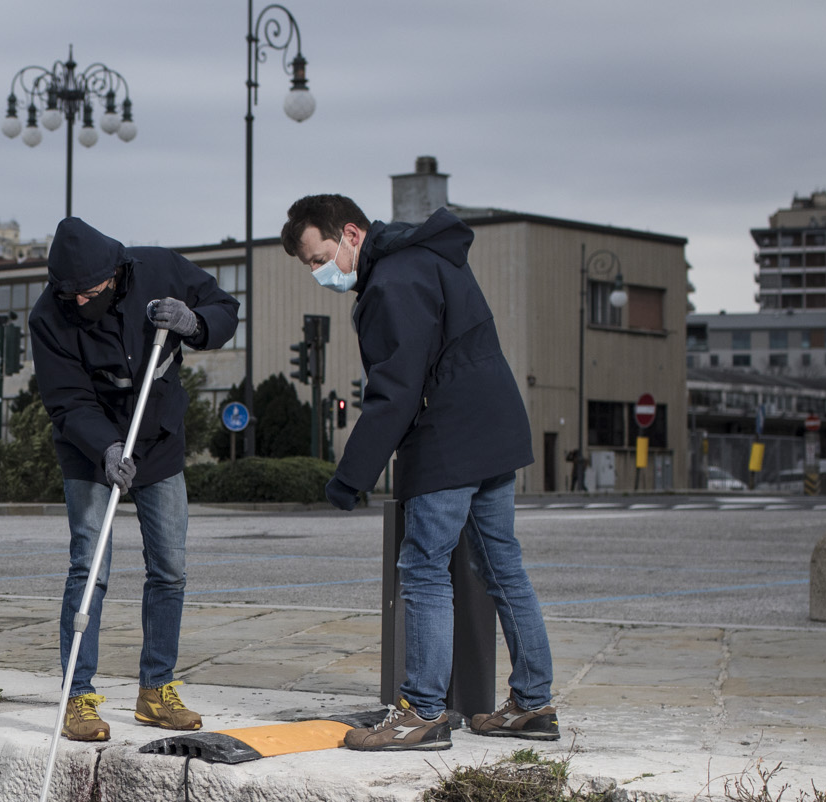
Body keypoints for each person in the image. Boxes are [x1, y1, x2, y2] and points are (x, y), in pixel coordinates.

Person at [281, 193, 559, 750]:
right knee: (503, 568)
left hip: (448, 439)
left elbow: (396, 389)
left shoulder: (392, 282)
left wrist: (350, 477)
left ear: (351, 234)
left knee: (424, 568)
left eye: (321, 258)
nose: (319, 273)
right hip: (494, 429)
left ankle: (423, 713)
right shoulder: (428, 257)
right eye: (310, 265)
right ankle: (533, 705)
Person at [29, 216, 240, 743]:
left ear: (115, 273)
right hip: (91, 446)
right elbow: (66, 400)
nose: (80, 302)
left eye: (90, 291)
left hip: (158, 436)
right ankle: (77, 696)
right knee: (89, 567)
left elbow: (225, 308)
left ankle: (156, 689)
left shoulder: (160, 269)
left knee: (169, 568)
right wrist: (105, 446)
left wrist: (194, 322)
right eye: (70, 294)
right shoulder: (48, 316)